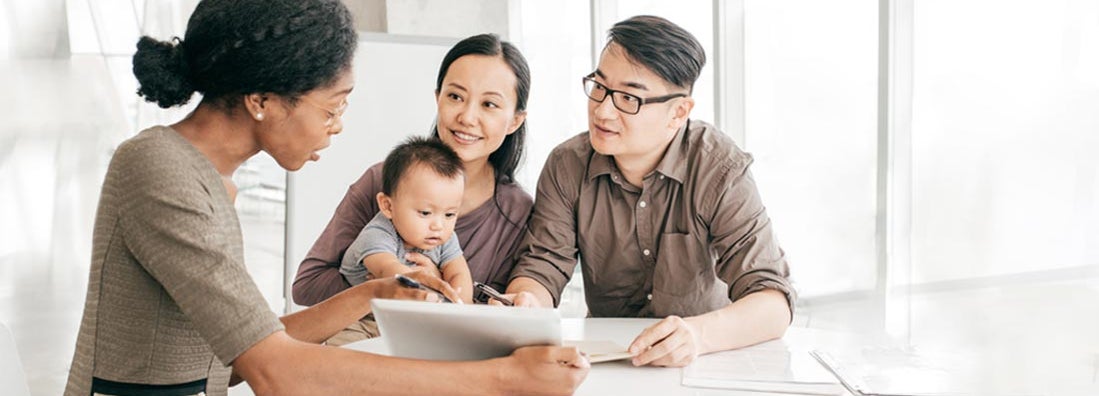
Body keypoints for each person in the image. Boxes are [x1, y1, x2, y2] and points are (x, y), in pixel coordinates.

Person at [65, 1, 587, 395]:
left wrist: (371, 293)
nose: (338, 127)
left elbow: (248, 343)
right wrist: (501, 378)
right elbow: (274, 369)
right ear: (262, 100)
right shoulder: (159, 168)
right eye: (333, 107)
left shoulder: (209, 177)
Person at [502, 15, 796, 369]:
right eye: (600, 86)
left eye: (629, 97)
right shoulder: (567, 165)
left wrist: (697, 336)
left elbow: (772, 302)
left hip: (705, 362)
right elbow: (543, 265)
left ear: (679, 112)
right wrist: (527, 301)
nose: (603, 110)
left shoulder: (719, 168)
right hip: (609, 365)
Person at [292, 33, 533, 307]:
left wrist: (437, 284)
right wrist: (391, 286)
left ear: (514, 121)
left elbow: (496, 314)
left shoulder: (517, 212)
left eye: (489, 104)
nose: (466, 117)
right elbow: (307, 286)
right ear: (437, 98)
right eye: (455, 96)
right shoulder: (382, 180)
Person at [331, 137, 474, 344]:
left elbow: (459, 272)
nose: (438, 225)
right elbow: (390, 272)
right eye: (426, 213)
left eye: (450, 214)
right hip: (360, 320)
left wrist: (460, 301)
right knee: (347, 355)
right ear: (388, 206)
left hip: (407, 324)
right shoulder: (377, 234)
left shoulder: (445, 238)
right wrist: (434, 287)